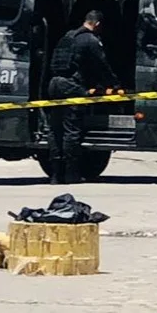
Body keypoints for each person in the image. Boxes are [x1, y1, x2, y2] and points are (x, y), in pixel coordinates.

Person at [46, 9, 117, 185]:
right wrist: (114, 84)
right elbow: (102, 66)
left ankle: (55, 175)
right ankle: (71, 175)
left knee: (55, 130)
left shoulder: (67, 37)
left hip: (54, 84)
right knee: (72, 130)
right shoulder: (90, 40)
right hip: (71, 87)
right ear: (98, 24)